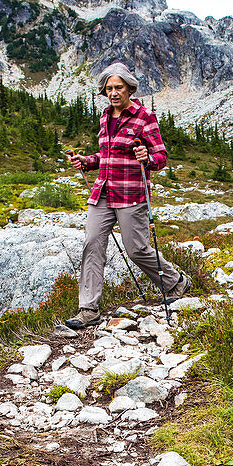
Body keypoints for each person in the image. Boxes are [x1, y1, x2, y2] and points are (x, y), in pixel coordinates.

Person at [65, 62, 190, 329]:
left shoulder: (144, 117)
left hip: (132, 194)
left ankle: (175, 282)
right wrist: (87, 161)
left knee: (136, 250)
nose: (113, 92)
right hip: (103, 192)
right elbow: (106, 157)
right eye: (109, 88)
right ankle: (88, 309)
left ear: (129, 88)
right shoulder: (104, 117)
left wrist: (148, 158)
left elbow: (161, 156)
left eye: (118, 87)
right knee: (92, 244)